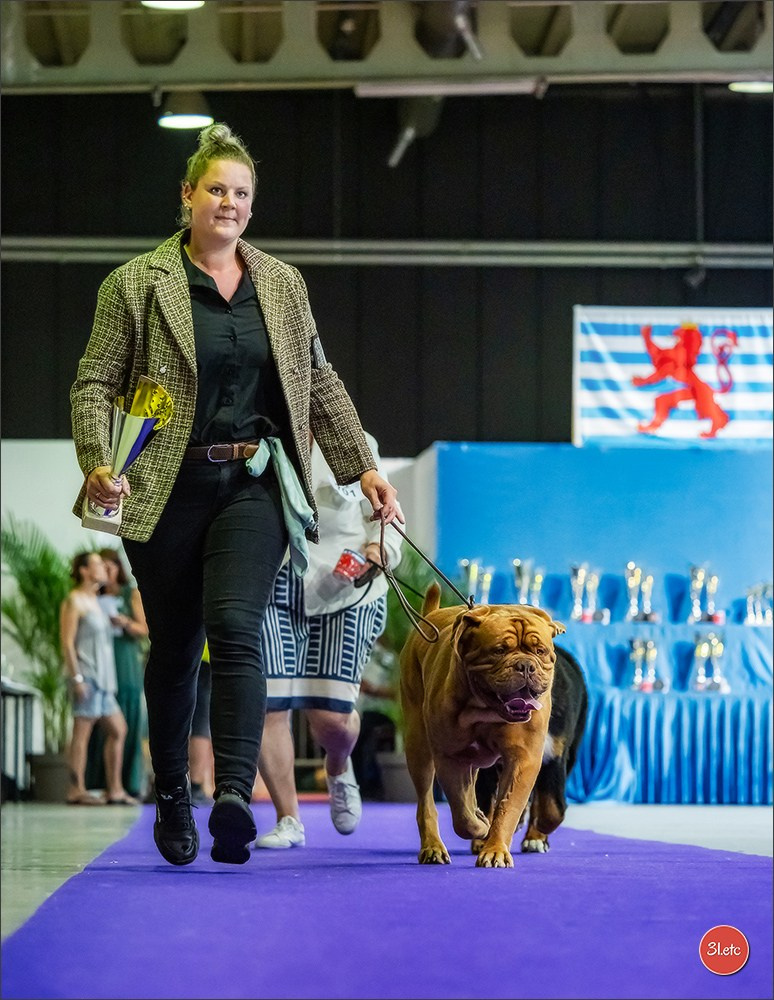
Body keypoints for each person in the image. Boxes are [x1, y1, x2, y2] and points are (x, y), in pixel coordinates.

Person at [70, 121, 402, 867]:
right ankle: (172, 796)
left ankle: (230, 796)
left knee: (236, 626)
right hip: (163, 486)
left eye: (242, 193)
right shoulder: (134, 284)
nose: (229, 203)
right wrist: (96, 460)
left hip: (253, 480)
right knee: (175, 647)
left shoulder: (282, 285)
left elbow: (318, 381)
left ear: (253, 204)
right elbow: (94, 383)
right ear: (188, 194)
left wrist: (363, 468)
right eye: (216, 189)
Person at [255, 431, 402, 849]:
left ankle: (338, 765)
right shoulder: (259, 440)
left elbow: (388, 517)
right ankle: (288, 819)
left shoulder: (353, 440)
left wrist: (381, 552)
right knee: (269, 706)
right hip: (274, 584)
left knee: (331, 720)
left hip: (346, 590)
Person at [60, 551, 137, 806]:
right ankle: (76, 789)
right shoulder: (74, 601)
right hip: (88, 676)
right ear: (84, 570)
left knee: (118, 730)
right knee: (82, 733)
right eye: (97, 564)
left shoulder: (97, 601)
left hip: (105, 680)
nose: (104, 567)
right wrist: (77, 678)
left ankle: (115, 789)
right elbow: (67, 643)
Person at [85, 546, 149, 799]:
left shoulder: (130, 593)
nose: (105, 572)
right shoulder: (91, 595)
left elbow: (144, 629)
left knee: (127, 719)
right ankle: (99, 783)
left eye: (108, 567)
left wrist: (125, 622)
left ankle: (127, 782)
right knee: (99, 720)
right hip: (100, 659)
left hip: (125, 659)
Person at [350, 638, 401, 801]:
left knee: (363, 729)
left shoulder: (393, 658)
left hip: (387, 712)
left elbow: (399, 691)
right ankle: (355, 784)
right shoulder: (365, 655)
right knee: (349, 731)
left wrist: (373, 690)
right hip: (362, 711)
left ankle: (367, 783)